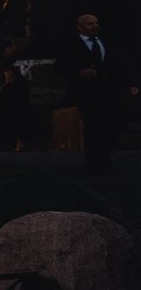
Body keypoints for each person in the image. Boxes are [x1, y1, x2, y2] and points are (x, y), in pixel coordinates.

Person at [53, 12, 136, 171]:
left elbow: (117, 65)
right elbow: (60, 67)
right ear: (80, 27)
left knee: (113, 123)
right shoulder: (71, 44)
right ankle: (95, 160)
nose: (95, 26)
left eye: (96, 23)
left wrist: (130, 83)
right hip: (86, 92)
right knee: (93, 125)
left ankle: (103, 155)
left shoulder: (105, 42)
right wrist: (77, 72)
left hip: (108, 90)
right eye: (90, 24)